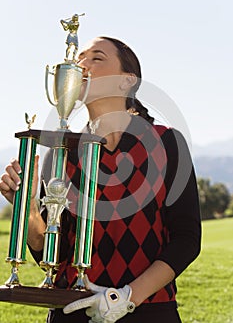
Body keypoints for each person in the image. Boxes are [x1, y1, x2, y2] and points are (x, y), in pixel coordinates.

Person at [0, 36, 201, 323]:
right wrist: (28, 208)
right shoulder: (59, 155)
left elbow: (186, 239)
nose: (82, 64)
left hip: (149, 313)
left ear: (127, 80)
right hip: (71, 313)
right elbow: (53, 255)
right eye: (80, 58)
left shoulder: (166, 142)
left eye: (97, 58)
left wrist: (127, 297)